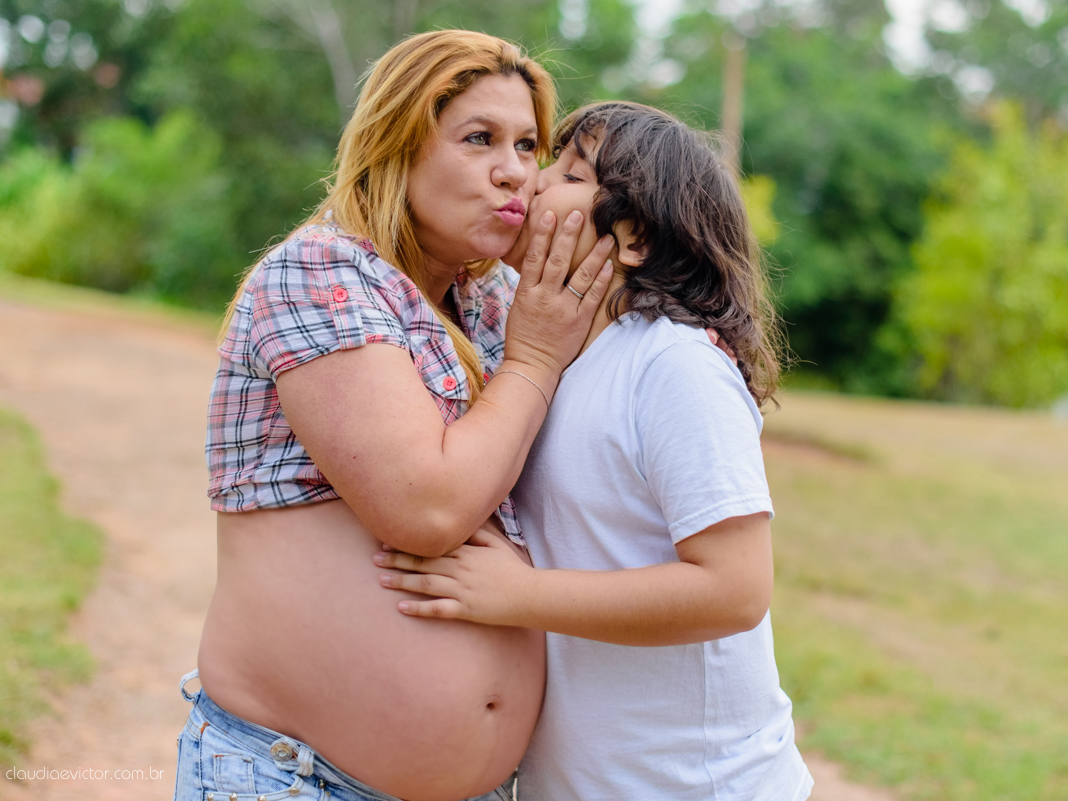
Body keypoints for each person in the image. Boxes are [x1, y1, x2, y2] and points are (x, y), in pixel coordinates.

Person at [178, 31, 613, 801]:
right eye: (478, 139)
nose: (514, 170)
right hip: (296, 779)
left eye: (526, 144)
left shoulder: (492, 302)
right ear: (396, 145)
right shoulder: (321, 271)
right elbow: (426, 505)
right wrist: (536, 359)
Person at [375, 101, 815, 800]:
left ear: (632, 237)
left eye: (570, 172)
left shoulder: (672, 363)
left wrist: (520, 595)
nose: (530, 179)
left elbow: (735, 587)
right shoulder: (549, 360)